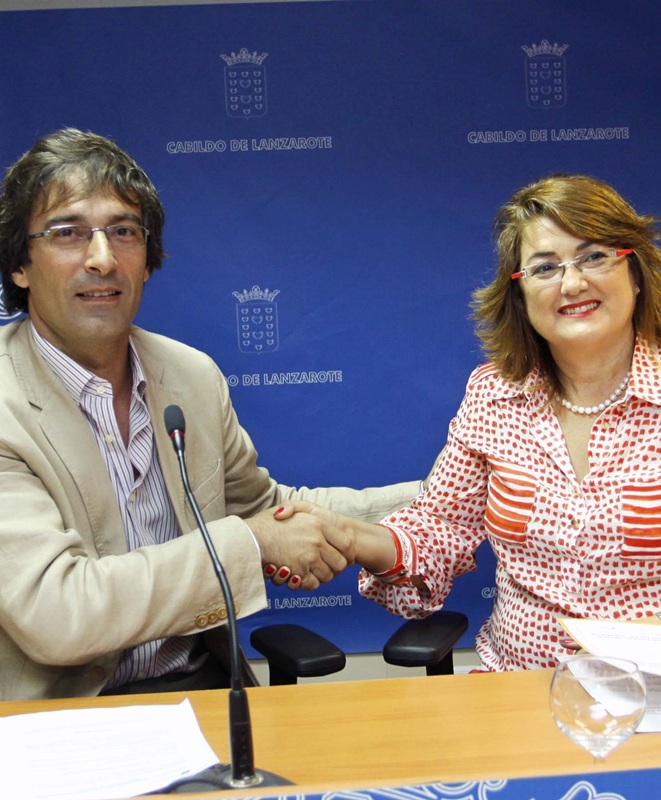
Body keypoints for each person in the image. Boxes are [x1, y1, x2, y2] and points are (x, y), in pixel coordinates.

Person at [0, 127, 419, 700]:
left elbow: (268, 512)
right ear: (19, 265)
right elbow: (58, 614)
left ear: (147, 260)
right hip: (60, 717)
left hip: (206, 692)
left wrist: (442, 495)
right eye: (68, 233)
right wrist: (251, 545)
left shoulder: (191, 376)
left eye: (123, 231)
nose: (102, 258)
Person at [278, 173, 661, 671]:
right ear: (520, 296)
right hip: (518, 691)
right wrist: (351, 538)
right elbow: (437, 529)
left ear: (634, 271)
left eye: (593, 257)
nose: (572, 283)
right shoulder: (494, 394)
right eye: (544, 268)